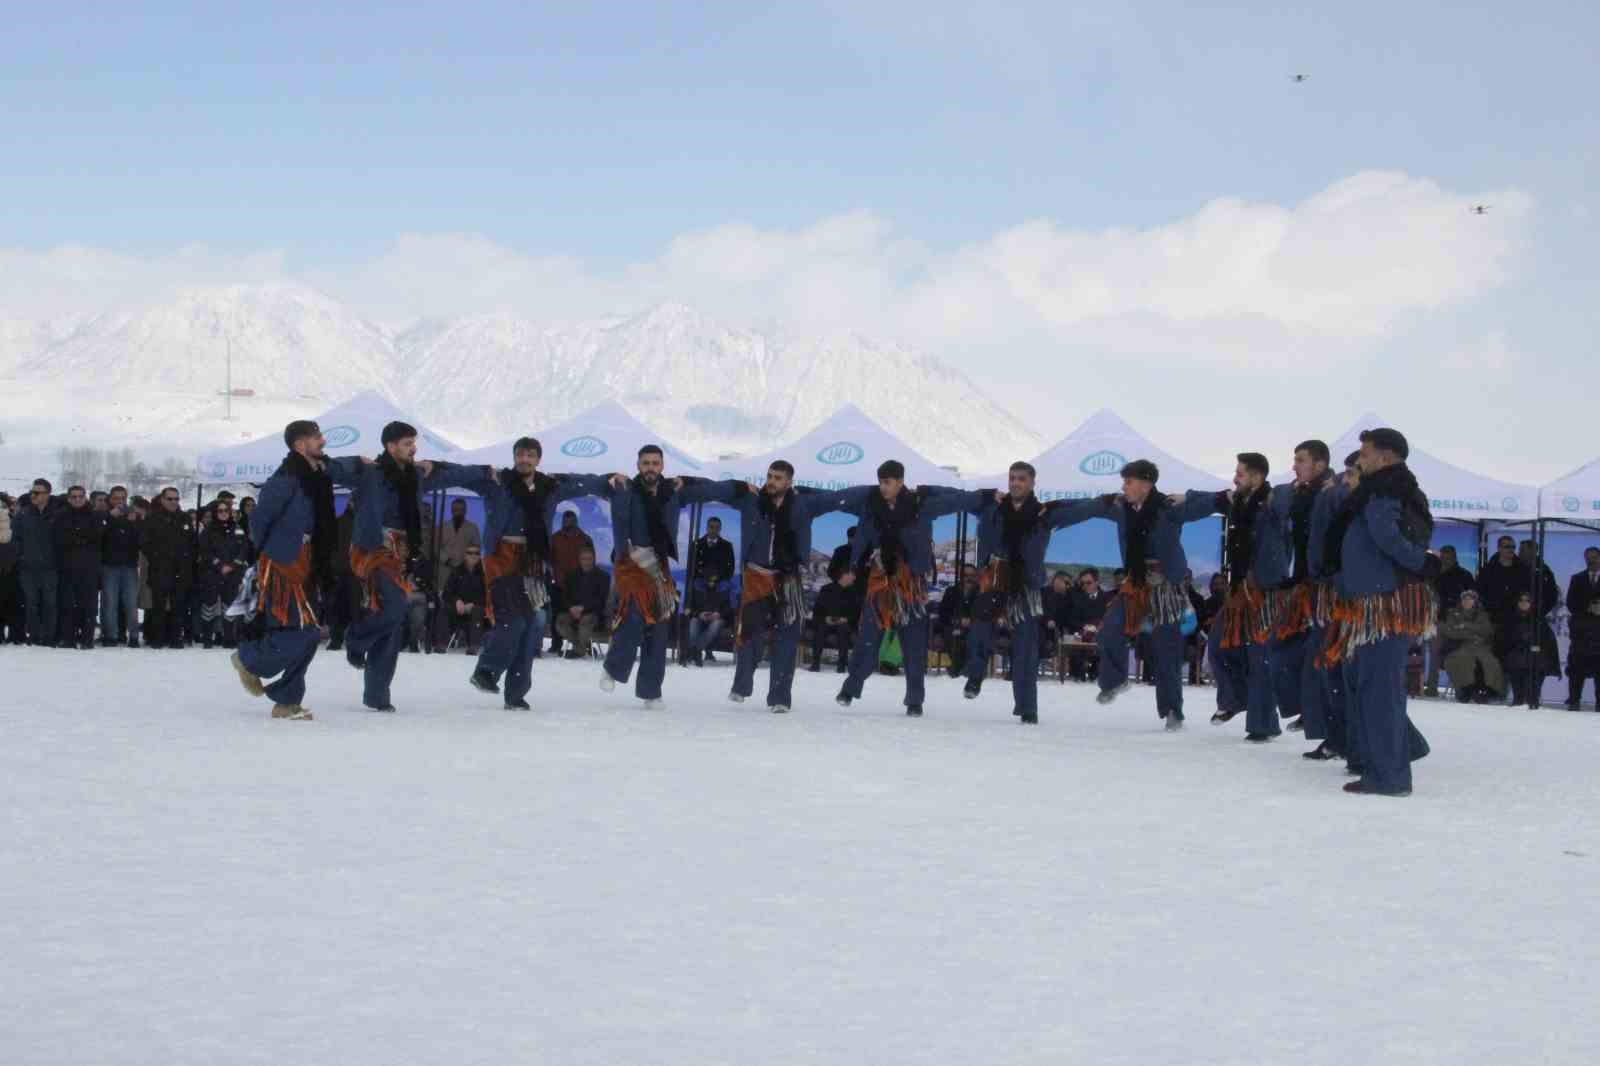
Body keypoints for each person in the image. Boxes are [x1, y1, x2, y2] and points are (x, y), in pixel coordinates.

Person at [1320, 428, 1435, 797]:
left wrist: (1423, 564)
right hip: (1372, 600)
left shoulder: (1385, 490)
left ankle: (1389, 776)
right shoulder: (1385, 488)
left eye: (1365, 454)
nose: (1360, 459)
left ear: (1385, 458)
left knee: (1379, 690)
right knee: (1371, 685)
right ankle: (1393, 758)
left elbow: (1388, 538)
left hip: (1382, 604)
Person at [338, 421, 482, 712]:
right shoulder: (370, 473)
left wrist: (484, 471)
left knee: (390, 624)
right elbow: (330, 467)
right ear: (390, 446)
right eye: (407, 443)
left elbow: (452, 473)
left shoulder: (416, 475)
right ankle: (355, 639)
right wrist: (354, 460)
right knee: (396, 607)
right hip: (373, 549)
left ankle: (377, 695)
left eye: (414, 443)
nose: (413, 448)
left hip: (400, 553)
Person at [463, 437, 610, 711]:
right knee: (514, 621)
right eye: (520, 455)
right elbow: (465, 473)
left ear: (538, 459)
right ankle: (485, 670)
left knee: (533, 624)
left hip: (531, 561)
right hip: (501, 559)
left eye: (530, 455)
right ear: (514, 457)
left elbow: (583, 483)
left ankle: (516, 694)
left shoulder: (549, 487)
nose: (525, 460)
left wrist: (609, 480)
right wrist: (429, 467)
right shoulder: (498, 482)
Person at [833, 462, 985, 717]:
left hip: (910, 583)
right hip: (881, 581)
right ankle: (850, 688)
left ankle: (915, 700)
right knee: (867, 640)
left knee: (914, 646)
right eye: (880, 482)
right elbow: (838, 499)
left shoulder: (920, 504)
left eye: (888, 482)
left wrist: (987, 495)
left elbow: (958, 499)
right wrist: (802, 490)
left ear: (901, 481)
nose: (883, 487)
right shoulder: (871, 506)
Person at [600, 445, 746, 708]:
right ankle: (613, 667)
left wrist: (740, 487)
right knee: (633, 619)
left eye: (655, 463)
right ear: (638, 465)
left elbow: (708, 489)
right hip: (631, 564)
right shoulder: (625, 489)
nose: (650, 468)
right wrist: (606, 477)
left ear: (662, 466)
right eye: (646, 463)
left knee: (658, 628)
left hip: (658, 566)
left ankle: (651, 692)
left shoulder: (672, 492)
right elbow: (588, 484)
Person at [1077, 461, 1221, 726]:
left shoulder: (1168, 508)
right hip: (1136, 584)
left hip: (1165, 587)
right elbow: (1087, 507)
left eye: (1128, 482)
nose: (1124, 487)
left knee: (1166, 651)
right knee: (1109, 631)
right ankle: (1115, 680)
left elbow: (1207, 505)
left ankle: (1172, 711)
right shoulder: (1121, 508)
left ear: (1146, 484)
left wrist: (1191, 496)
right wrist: (1049, 509)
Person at [962, 463, 1098, 723]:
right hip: (996, 579)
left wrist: (1104, 500)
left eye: (1021, 479)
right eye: (1012, 478)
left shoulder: (1043, 514)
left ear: (1032, 483)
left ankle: (1027, 708)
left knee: (1026, 649)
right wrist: (989, 493)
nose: (1015, 483)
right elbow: (965, 499)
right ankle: (975, 677)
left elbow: (1081, 509)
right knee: (980, 632)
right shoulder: (993, 508)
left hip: (1025, 583)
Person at [230, 420, 347, 720]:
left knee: (308, 634)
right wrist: (279, 549)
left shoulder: (316, 475)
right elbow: (258, 523)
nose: (322, 440)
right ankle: (249, 659)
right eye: (316, 437)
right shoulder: (284, 479)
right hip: (283, 565)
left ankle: (286, 701)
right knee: (299, 632)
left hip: (309, 564)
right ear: (299, 445)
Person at [724, 462, 849, 712]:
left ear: (789, 482)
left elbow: (837, 498)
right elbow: (717, 491)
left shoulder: (803, 504)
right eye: (769, 476)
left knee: (787, 638)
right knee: (750, 634)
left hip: (787, 579)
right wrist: (735, 484)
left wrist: (809, 490)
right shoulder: (752, 500)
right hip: (757, 576)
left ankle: (779, 698)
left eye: (778, 478)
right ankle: (742, 685)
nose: (771, 481)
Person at [1209, 452, 1291, 741]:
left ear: (1257, 477)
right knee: (1218, 645)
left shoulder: (1272, 504)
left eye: (1240, 473)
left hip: (1265, 590)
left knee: (1260, 657)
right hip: (1239, 590)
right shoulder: (1239, 503)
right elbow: (1209, 500)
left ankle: (1262, 725)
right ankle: (1233, 700)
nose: (1235, 477)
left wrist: (1267, 577)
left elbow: (1287, 504)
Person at [1268, 440, 1333, 735]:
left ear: (1319, 465)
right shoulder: (1301, 493)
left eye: (1300, 460)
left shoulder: (1331, 494)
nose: (1294, 466)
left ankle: (1327, 727)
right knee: (1283, 648)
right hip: (1307, 585)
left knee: (1320, 662)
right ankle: (1309, 711)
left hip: (1327, 589)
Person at [140, 486, 195, 649]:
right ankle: (157, 638)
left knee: (179, 607)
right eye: (170, 499)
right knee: (158, 607)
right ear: (162, 499)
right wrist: (157, 557)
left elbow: (192, 542)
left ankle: (175, 638)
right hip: (160, 569)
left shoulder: (184, 518)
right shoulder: (152, 518)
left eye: (176, 499)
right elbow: (144, 543)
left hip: (181, 570)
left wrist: (186, 559)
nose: (173, 502)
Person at [52, 485, 105, 650]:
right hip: (67, 566)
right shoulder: (60, 516)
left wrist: (78, 538)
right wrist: (79, 538)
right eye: (73, 497)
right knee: (67, 604)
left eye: (80, 496)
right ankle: (68, 637)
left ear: (85, 497)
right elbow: (59, 538)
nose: (77, 499)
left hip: (89, 567)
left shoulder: (95, 516)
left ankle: (87, 638)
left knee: (88, 605)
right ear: (68, 498)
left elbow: (97, 537)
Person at [1422, 545, 1477, 696]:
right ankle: (1432, 686)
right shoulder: (1433, 574)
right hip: (1437, 620)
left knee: (1456, 654)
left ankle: (1460, 688)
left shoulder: (1464, 576)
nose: (1446, 559)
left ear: (1454, 557)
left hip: (1457, 622)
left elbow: (1472, 599)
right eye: (1444, 556)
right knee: (1435, 654)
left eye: (1449, 556)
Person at [197, 497, 251, 649]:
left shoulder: (238, 528)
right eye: (220, 511)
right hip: (212, 573)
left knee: (230, 605)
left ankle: (229, 638)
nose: (223, 513)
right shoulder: (208, 530)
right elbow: (205, 551)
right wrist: (219, 565)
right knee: (210, 605)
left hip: (233, 573)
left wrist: (233, 565)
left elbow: (244, 549)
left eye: (226, 510)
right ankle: (207, 637)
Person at [14, 479, 59, 646]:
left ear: (47, 494)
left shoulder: (56, 514)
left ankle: (49, 637)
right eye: (32, 492)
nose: (33, 495)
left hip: (50, 568)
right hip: (28, 568)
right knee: (31, 604)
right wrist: (22, 558)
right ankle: (33, 636)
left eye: (37, 492)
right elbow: (16, 540)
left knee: (50, 604)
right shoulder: (23, 515)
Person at [1439, 589, 1502, 703]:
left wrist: (1466, 625)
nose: (1467, 601)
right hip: (1459, 646)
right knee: (1461, 661)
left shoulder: (1482, 614)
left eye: (1470, 599)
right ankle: (1464, 690)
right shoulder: (1453, 613)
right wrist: (1472, 634)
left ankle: (1485, 690)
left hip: (1481, 647)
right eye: (1465, 599)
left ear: (1475, 601)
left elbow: (1487, 630)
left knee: (1491, 662)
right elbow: (1451, 631)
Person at [1499, 591, 1559, 709]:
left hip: (1535, 659)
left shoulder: (1539, 620)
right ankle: (1519, 700)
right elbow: (1504, 640)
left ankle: (1532, 700)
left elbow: (1547, 641)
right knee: (1515, 666)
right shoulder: (1510, 619)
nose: (1524, 603)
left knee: (1532, 691)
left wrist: (1535, 645)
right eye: (1521, 600)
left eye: (1527, 600)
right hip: (1515, 657)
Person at [99, 486, 141, 647]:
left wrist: (133, 523)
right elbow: (98, 535)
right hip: (109, 565)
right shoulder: (104, 515)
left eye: (123, 498)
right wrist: (109, 518)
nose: (120, 502)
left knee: (131, 603)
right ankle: (111, 635)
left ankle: (134, 636)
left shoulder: (133, 517)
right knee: (110, 602)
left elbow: (140, 540)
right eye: (116, 498)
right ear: (111, 499)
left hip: (129, 565)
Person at [547, 509, 593, 654]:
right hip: (559, 584)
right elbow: (550, 561)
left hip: (580, 586)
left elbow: (591, 562)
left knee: (580, 616)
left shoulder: (585, 539)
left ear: (576, 521)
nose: (568, 523)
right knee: (557, 615)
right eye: (566, 521)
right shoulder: (555, 539)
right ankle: (556, 644)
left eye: (571, 520)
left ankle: (582, 644)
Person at [555, 547, 610, 659]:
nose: (586, 562)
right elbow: (565, 596)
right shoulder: (571, 575)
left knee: (586, 622)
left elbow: (601, 600)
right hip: (573, 611)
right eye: (584, 559)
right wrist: (571, 608)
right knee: (560, 622)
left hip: (593, 612)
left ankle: (578, 650)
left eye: (589, 559)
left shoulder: (603, 576)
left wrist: (583, 608)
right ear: (579, 560)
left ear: (594, 559)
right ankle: (582, 647)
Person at [1564, 547, 1600, 710]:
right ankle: (1573, 701)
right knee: (1576, 671)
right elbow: (1571, 604)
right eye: (1588, 558)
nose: (1591, 561)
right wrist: (1588, 608)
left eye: (1594, 557)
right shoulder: (1577, 579)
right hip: (1581, 634)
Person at [433, 544, 486, 653]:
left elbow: (488, 595)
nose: (473, 555)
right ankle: (441, 644)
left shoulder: (485, 573)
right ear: (465, 555)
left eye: (476, 553)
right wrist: (457, 601)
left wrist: (473, 604)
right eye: (470, 553)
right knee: (443, 609)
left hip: (476, 607)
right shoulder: (456, 571)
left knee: (478, 610)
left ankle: (473, 646)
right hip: (457, 606)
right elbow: (446, 593)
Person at [808, 573, 857, 673]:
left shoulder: (853, 592)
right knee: (820, 628)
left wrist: (846, 619)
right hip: (827, 621)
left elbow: (857, 613)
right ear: (844, 576)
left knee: (843, 629)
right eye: (852, 575)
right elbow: (817, 611)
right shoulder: (826, 589)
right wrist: (825, 618)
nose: (854, 578)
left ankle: (841, 665)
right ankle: (815, 663)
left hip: (844, 623)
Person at [938, 565, 981, 678]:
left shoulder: (980, 593)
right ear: (961, 577)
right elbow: (943, 614)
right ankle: (959, 666)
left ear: (976, 577)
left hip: (973, 627)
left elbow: (985, 614)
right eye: (966, 576)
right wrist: (957, 621)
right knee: (953, 633)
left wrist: (971, 620)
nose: (969, 578)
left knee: (975, 634)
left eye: (972, 576)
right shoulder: (951, 591)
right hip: (953, 626)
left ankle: (965, 667)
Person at [436, 497, 481, 594]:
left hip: (464, 570)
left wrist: (465, 562)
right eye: (456, 510)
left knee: (462, 597)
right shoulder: (442, 527)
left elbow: (476, 549)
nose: (459, 512)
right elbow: (436, 547)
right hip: (444, 569)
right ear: (451, 511)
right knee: (443, 596)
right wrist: (447, 560)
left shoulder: (473, 528)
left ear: (466, 511)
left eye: (461, 510)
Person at [684, 575, 730, 666]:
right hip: (700, 617)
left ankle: (695, 650)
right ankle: (695, 651)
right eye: (709, 581)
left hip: (717, 619)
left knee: (715, 625)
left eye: (714, 582)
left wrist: (719, 614)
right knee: (693, 622)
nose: (711, 583)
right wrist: (699, 614)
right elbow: (690, 608)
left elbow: (727, 609)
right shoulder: (698, 591)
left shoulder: (722, 591)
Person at [689, 516, 736, 589]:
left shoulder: (727, 546)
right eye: (711, 527)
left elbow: (731, 567)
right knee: (697, 588)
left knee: (725, 589)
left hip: (721, 579)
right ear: (706, 528)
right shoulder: (696, 544)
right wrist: (704, 578)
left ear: (720, 529)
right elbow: (691, 565)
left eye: (717, 527)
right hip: (701, 579)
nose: (714, 530)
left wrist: (719, 578)